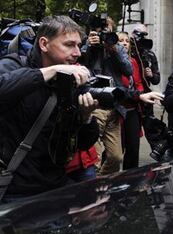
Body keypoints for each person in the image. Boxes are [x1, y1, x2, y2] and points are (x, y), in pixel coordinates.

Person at [0, 15, 99, 199]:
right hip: (15, 191)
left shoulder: (72, 81)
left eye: (79, 45)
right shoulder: (13, 65)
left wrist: (86, 118)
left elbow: (84, 143)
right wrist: (51, 71)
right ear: (44, 44)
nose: (77, 52)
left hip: (56, 186)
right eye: (69, 45)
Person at [80, 17, 133, 175]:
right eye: (100, 29)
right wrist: (89, 46)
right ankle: (92, 192)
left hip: (113, 106)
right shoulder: (86, 44)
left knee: (116, 158)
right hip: (94, 104)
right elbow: (79, 63)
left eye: (107, 29)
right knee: (93, 159)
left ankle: (101, 183)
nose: (103, 33)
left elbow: (129, 70)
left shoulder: (118, 47)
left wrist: (114, 50)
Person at [118, 32, 164, 169]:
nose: (125, 43)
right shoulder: (110, 61)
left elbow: (138, 82)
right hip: (117, 112)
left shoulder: (133, 62)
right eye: (121, 40)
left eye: (127, 41)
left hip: (133, 110)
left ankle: (130, 179)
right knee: (115, 152)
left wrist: (141, 94)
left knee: (133, 149)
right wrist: (138, 95)